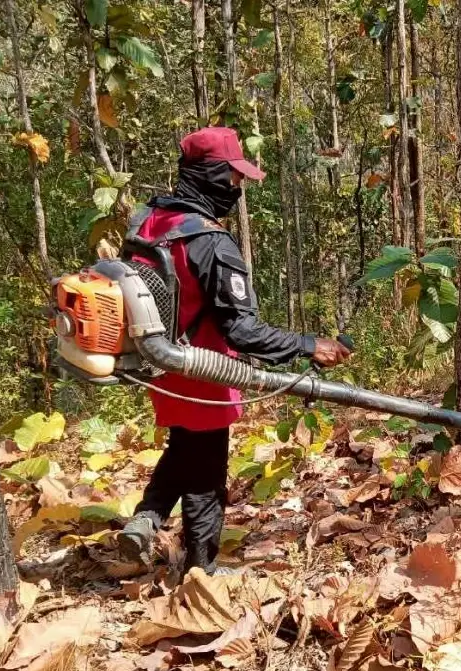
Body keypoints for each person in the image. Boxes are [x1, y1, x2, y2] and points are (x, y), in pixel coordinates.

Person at [118, 126, 351, 574]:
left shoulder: (149, 221)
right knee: (206, 472)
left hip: (160, 366)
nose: (238, 188)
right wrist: (308, 346)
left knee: (184, 446)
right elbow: (242, 330)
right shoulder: (210, 241)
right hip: (204, 370)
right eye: (234, 178)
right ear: (210, 175)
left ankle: (148, 517)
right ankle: (200, 570)